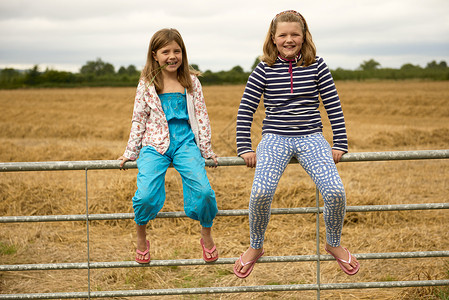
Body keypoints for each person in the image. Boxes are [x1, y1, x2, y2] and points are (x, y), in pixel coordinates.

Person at [233, 10, 360, 278]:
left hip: (312, 137)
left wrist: (339, 142)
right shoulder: (263, 68)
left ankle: (333, 243)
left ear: (304, 37)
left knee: (336, 193)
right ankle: (256, 247)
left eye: (295, 34)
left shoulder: (317, 66)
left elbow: (333, 107)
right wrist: (244, 146)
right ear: (273, 37)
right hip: (274, 139)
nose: (289, 39)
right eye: (283, 35)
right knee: (260, 194)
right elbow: (246, 109)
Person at [118, 28, 219, 264]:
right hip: (154, 145)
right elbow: (139, 118)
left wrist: (206, 150)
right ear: (155, 55)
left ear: (183, 53)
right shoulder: (147, 84)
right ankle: (141, 238)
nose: (172, 56)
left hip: (185, 143)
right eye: (166, 51)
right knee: (144, 196)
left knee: (204, 192)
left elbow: (202, 116)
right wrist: (130, 152)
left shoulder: (191, 82)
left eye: (177, 51)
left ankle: (206, 234)